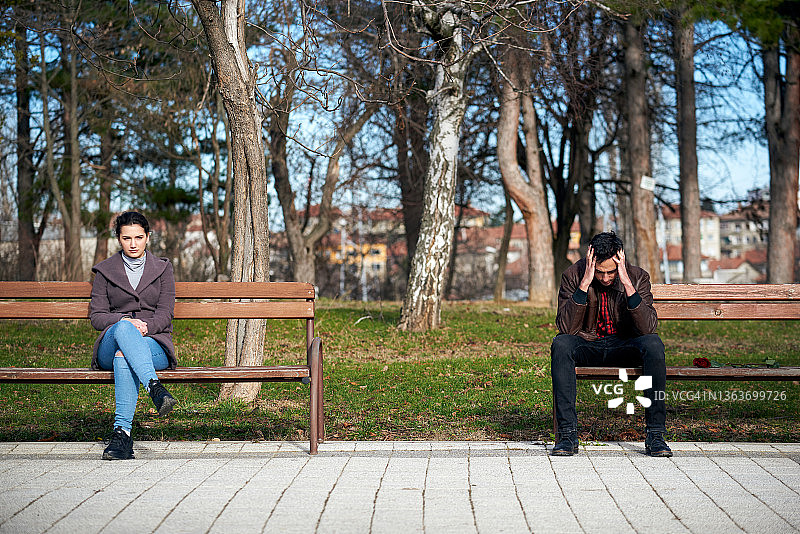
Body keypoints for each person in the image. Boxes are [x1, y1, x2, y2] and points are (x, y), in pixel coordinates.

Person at [550, 231, 671, 457]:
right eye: (599, 272)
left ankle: (655, 434)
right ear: (590, 262)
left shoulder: (638, 277)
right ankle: (567, 434)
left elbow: (648, 328)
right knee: (561, 344)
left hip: (625, 345)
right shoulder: (572, 276)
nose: (605, 278)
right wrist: (585, 283)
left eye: (611, 272)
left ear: (621, 261)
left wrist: (626, 282)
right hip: (589, 346)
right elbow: (566, 328)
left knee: (654, 344)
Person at [90, 211, 178, 460]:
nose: (133, 244)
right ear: (119, 238)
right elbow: (97, 317)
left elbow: (165, 314)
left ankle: (122, 435)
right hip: (112, 339)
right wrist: (127, 323)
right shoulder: (105, 271)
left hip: (154, 343)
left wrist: (145, 327)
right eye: (127, 238)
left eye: (139, 237)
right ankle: (154, 387)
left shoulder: (163, 269)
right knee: (123, 329)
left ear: (148, 237)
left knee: (124, 355)